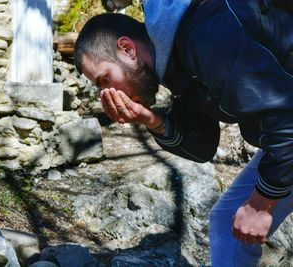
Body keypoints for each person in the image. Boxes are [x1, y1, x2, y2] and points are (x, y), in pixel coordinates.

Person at [73, 0, 293, 266]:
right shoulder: (177, 62)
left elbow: (286, 117)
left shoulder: (207, 35)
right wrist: (151, 119)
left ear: (127, 49)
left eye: (104, 79)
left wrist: (261, 204)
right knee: (228, 224)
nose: (108, 94)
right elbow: (201, 147)